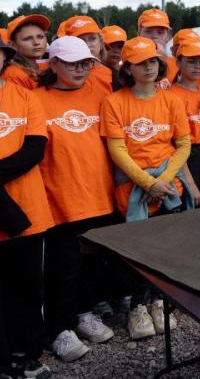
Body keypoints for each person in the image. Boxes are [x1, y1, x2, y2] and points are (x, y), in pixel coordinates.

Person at [99, 37, 193, 339]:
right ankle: (137, 308)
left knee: (166, 248)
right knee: (136, 251)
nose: (149, 67)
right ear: (128, 68)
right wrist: (148, 182)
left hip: (167, 188)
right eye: (141, 63)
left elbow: (183, 144)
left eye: (152, 61)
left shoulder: (171, 100)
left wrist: (163, 180)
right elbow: (117, 150)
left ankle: (159, 301)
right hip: (134, 190)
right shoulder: (114, 102)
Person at [33, 37, 116, 362]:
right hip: (59, 198)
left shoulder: (101, 94)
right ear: (52, 64)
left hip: (99, 194)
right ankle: (59, 328)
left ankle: (84, 314)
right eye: (71, 63)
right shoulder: (36, 99)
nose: (80, 69)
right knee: (62, 267)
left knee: (92, 262)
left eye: (84, 62)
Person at [0, 35, 54, 379]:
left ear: (5, 57)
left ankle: (28, 352)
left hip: (27, 209)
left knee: (27, 285)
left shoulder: (26, 97)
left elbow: (35, 149)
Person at [170, 39, 200, 205]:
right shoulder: (172, 94)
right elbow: (175, 142)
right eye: (191, 62)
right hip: (190, 154)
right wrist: (189, 181)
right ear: (178, 62)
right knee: (192, 200)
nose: (197, 66)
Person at [62, 15, 113, 94]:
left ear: (100, 41)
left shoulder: (112, 75)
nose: (88, 44)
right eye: (80, 40)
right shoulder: (60, 72)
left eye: (92, 38)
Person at [2, 14, 50, 90]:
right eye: (27, 38)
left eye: (40, 37)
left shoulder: (47, 67)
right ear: (13, 45)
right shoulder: (13, 75)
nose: (36, 42)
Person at [137, 8, 178, 88]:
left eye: (160, 32)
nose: (154, 36)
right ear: (139, 34)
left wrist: (162, 61)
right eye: (148, 31)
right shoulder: (130, 65)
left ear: (168, 37)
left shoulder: (178, 66)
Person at [101, 25, 128, 91]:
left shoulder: (129, 73)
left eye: (120, 47)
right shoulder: (94, 73)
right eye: (111, 46)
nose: (115, 50)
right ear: (101, 47)